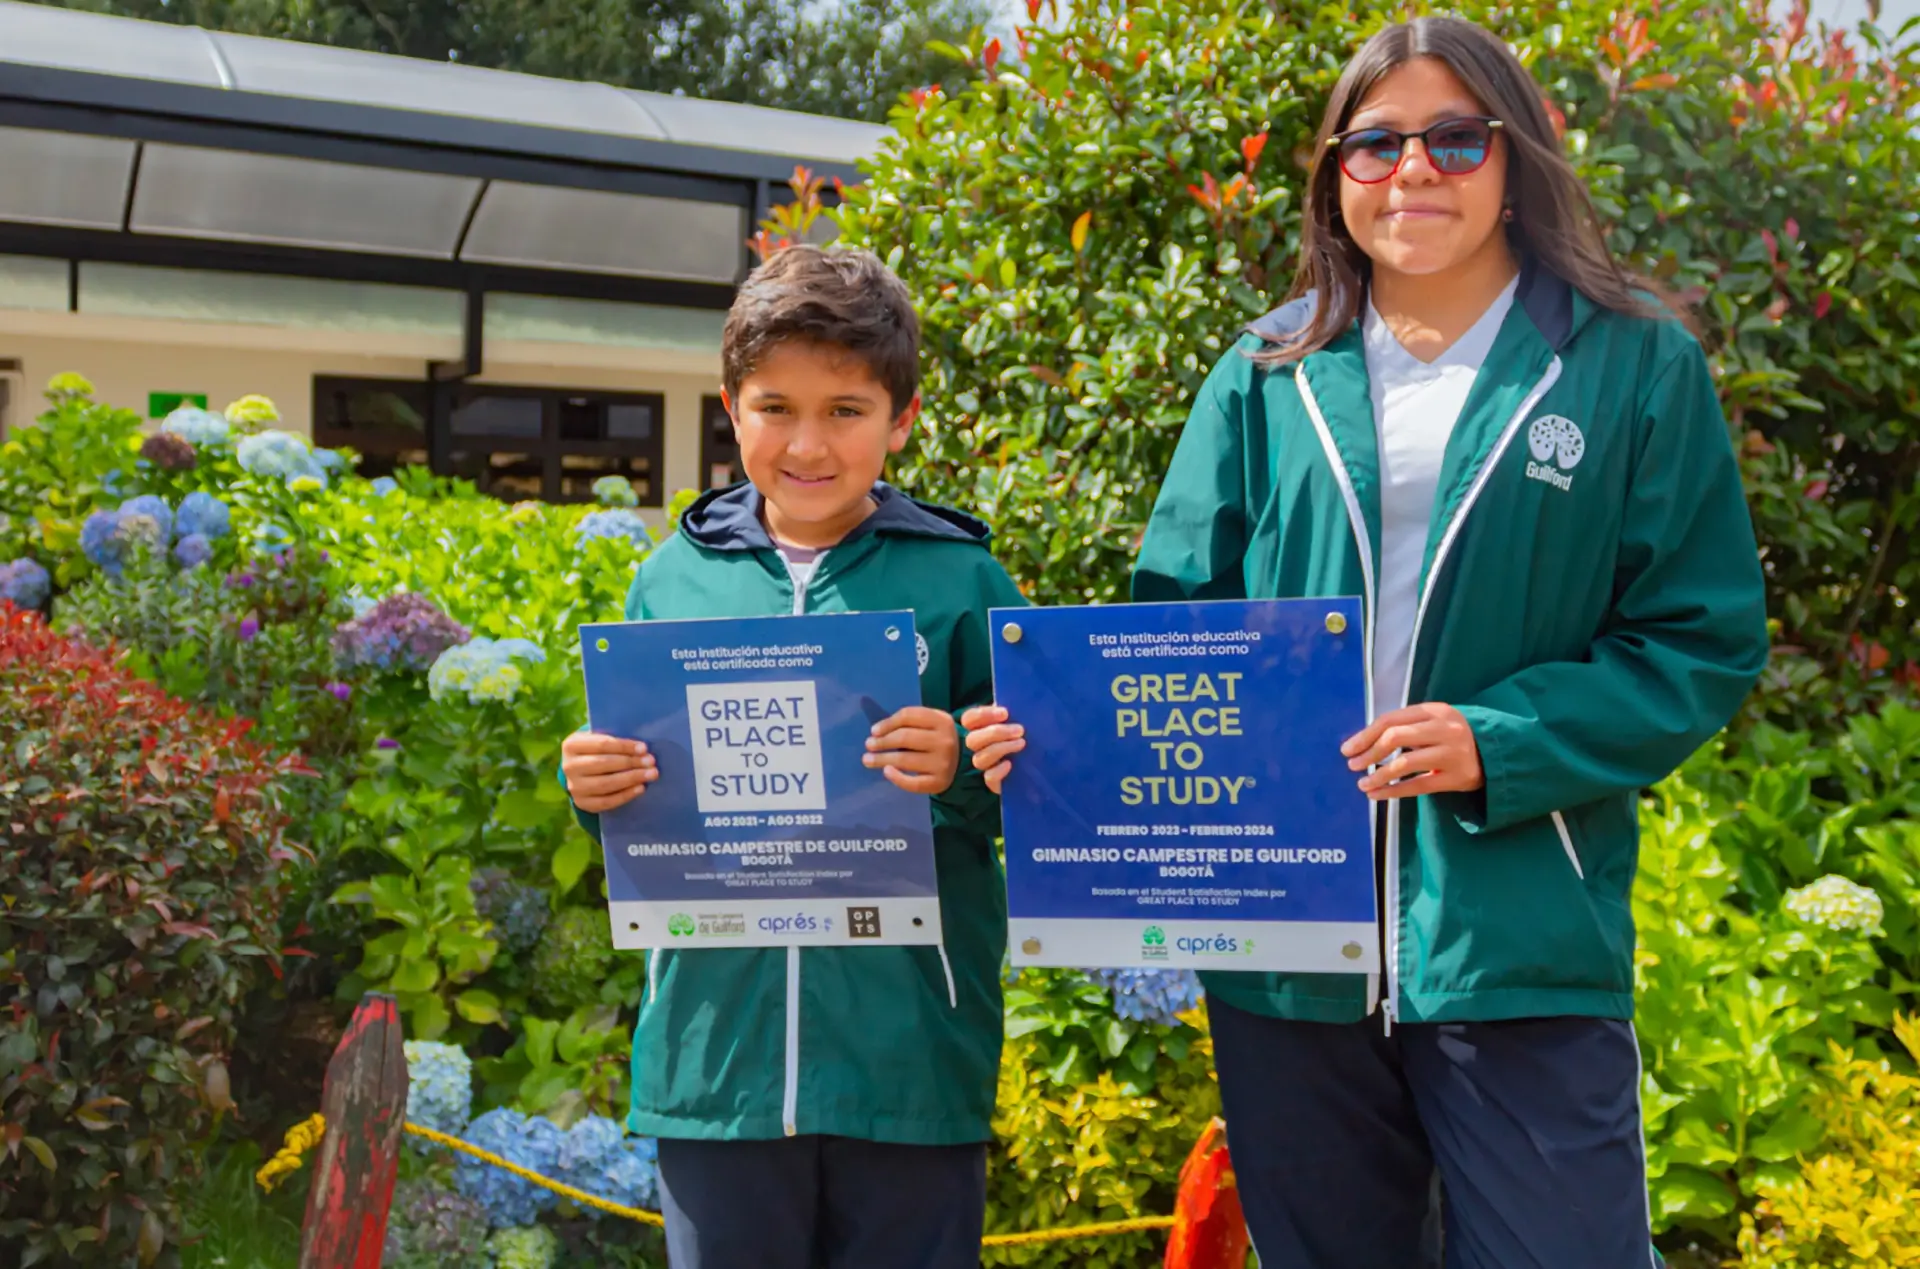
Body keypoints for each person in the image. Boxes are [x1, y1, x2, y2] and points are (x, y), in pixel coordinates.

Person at [963, 16, 1768, 1268]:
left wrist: (1500, 742)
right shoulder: (1265, 371)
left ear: (1517, 161)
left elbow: (1697, 641)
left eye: (1455, 139)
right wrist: (1058, 739)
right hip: (1288, 945)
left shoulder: (1633, 367)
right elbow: (1173, 629)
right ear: (1336, 176)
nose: (1414, 173)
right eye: (1376, 144)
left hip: (1517, 936)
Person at [560, 245, 1025, 1269]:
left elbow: (1042, 798)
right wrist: (594, 787)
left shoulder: (964, 583)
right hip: (714, 1065)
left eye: (846, 411)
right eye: (776, 408)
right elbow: (642, 799)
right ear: (732, 407)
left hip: (909, 1057)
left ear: (900, 420)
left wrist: (960, 770)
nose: (808, 443)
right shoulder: (669, 583)